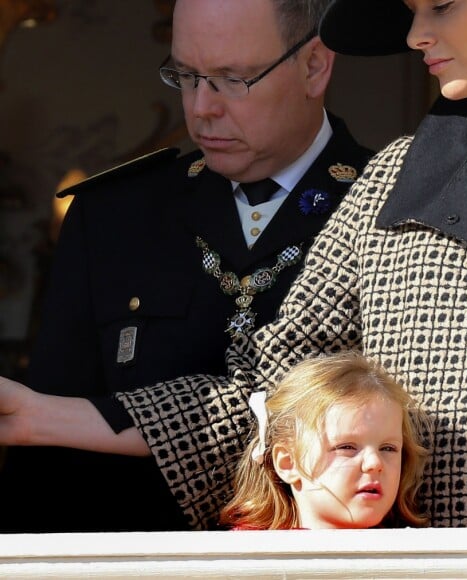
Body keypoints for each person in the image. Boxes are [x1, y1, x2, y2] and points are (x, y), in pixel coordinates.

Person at [0, 0, 467, 529]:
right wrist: (34, 415)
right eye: (409, 8)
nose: (415, 32)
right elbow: (264, 396)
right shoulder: (395, 182)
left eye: (440, 6)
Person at [0, 0, 372, 533]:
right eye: (187, 76)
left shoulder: (393, 207)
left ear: (315, 65)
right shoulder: (111, 217)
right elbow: (46, 453)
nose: (201, 108)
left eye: (231, 79)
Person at [219, 352, 430, 530]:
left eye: (388, 448)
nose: (375, 463)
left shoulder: (410, 554)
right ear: (288, 463)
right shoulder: (248, 557)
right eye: (347, 447)